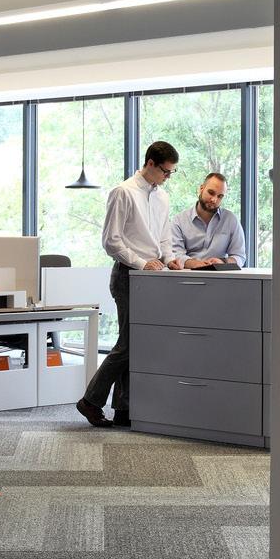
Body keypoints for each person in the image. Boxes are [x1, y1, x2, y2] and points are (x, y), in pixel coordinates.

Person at [76, 141, 179, 428]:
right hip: (127, 275)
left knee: (138, 341)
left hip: (153, 277)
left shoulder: (162, 197)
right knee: (130, 343)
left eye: (171, 173)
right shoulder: (123, 192)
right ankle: (90, 401)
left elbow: (164, 238)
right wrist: (141, 263)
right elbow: (111, 241)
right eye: (165, 171)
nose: (167, 177)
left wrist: (170, 259)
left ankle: (123, 408)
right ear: (150, 163)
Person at [170, 172, 246, 269]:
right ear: (201, 189)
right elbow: (175, 254)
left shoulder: (231, 220)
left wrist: (223, 262)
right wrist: (196, 264)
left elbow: (239, 256)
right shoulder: (179, 220)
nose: (214, 200)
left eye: (220, 196)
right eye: (211, 193)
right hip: (189, 274)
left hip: (219, 274)